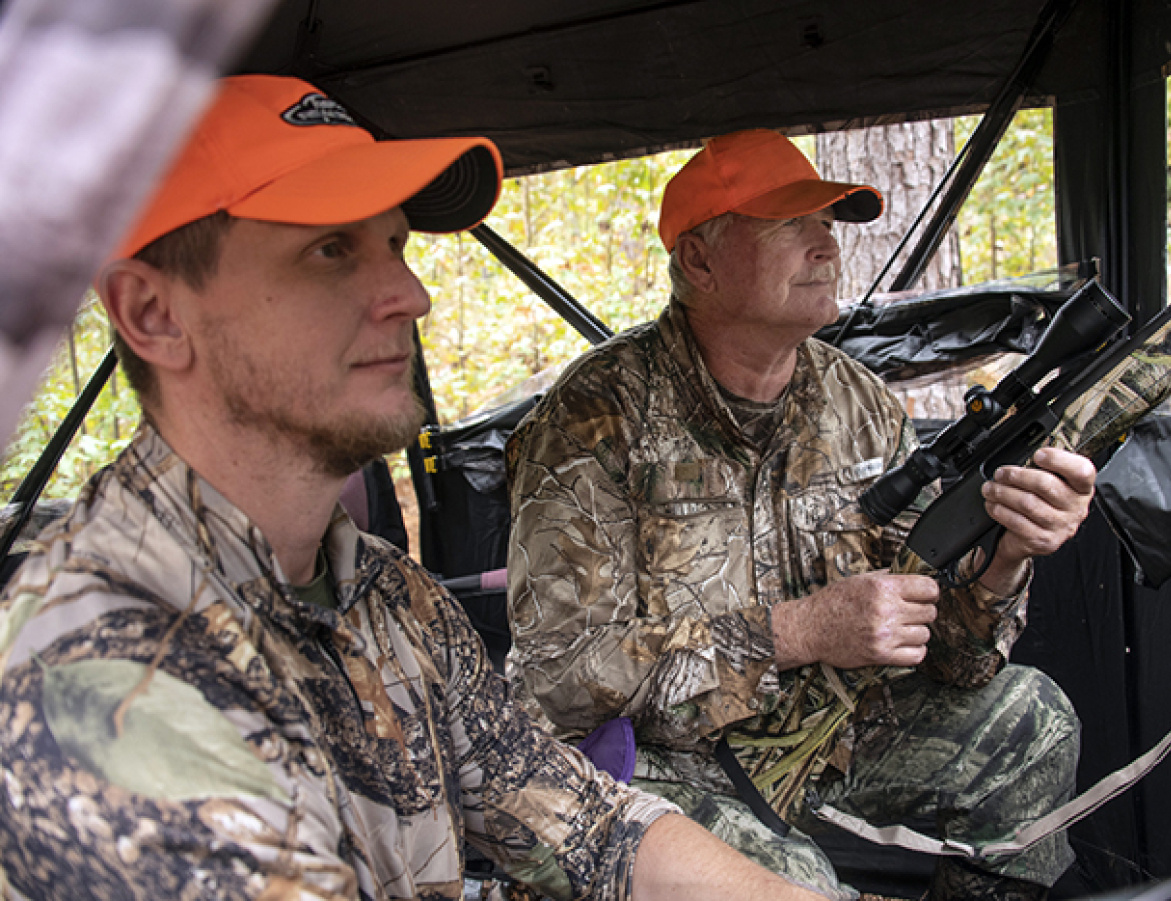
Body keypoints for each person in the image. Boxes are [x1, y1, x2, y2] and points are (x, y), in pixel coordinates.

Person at [0, 78, 830, 901]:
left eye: (394, 245)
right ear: (153, 314)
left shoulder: (392, 601)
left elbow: (591, 826)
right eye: (330, 250)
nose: (411, 296)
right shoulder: (94, 674)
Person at [506, 129, 1097, 901]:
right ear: (700, 261)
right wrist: (803, 630)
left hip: (829, 740)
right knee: (791, 883)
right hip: (655, 762)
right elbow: (561, 676)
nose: (826, 245)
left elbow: (957, 660)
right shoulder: (592, 420)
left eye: (830, 223)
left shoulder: (860, 404)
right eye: (792, 225)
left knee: (1032, 722)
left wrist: (1006, 560)